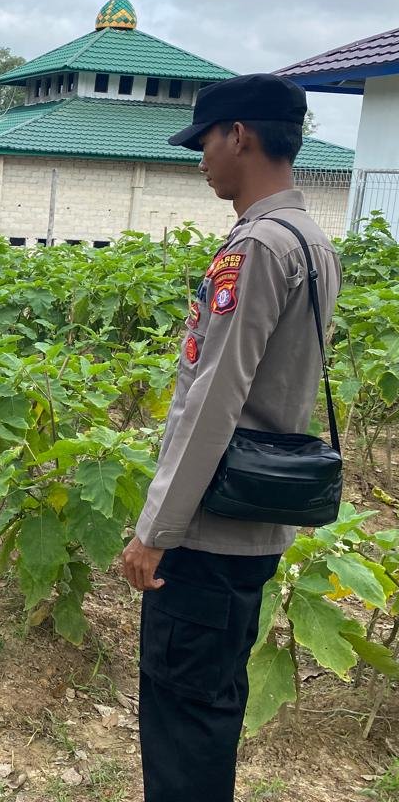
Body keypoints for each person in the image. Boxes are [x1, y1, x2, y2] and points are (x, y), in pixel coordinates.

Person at [120, 73, 342, 801]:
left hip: (207, 534)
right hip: (256, 521)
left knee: (185, 723)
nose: (201, 159)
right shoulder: (311, 239)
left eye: (205, 142)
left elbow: (213, 401)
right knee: (210, 710)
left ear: (239, 135)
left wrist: (157, 528)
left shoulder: (256, 249)